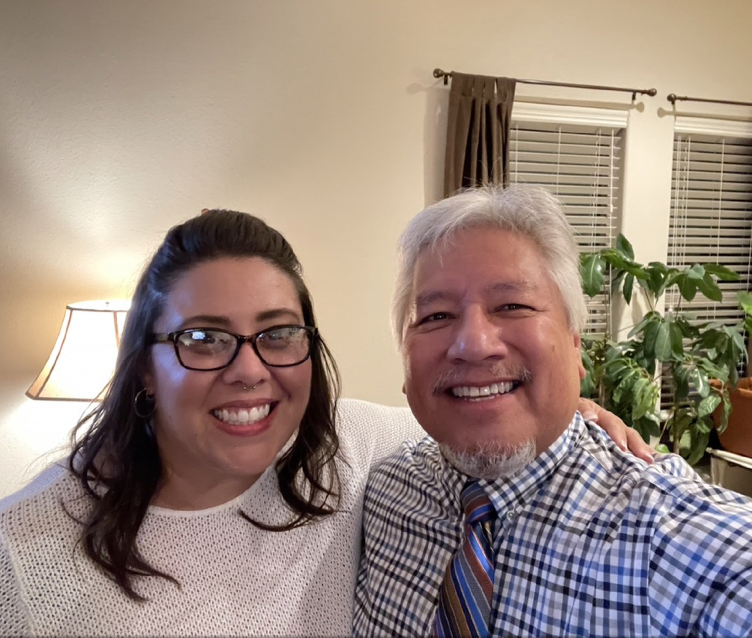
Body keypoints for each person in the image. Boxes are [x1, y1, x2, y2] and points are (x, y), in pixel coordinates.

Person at [0, 207, 647, 636]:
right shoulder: (22, 553)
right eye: (204, 338)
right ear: (144, 365)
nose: (249, 370)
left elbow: (473, 415)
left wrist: (570, 407)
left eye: (278, 333)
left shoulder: (351, 448)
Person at [353, 185, 752, 638]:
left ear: (575, 345)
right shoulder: (379, 492)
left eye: (513, 306)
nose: (474, 345)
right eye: (436, 316)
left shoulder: (680, 542)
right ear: (404, 364)